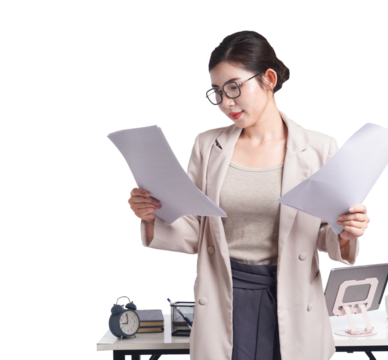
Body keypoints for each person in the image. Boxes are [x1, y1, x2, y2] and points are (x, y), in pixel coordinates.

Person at [127, 28, 371, 360]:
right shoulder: (206, 145)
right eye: (217, 93)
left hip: (294, 298)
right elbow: (196, 231)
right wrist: (151, 215)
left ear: (268, 78)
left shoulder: (319, 147)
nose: (226, 103)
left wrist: (348, 230)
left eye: (234, 88)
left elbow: (324, 236)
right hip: (224, 295)